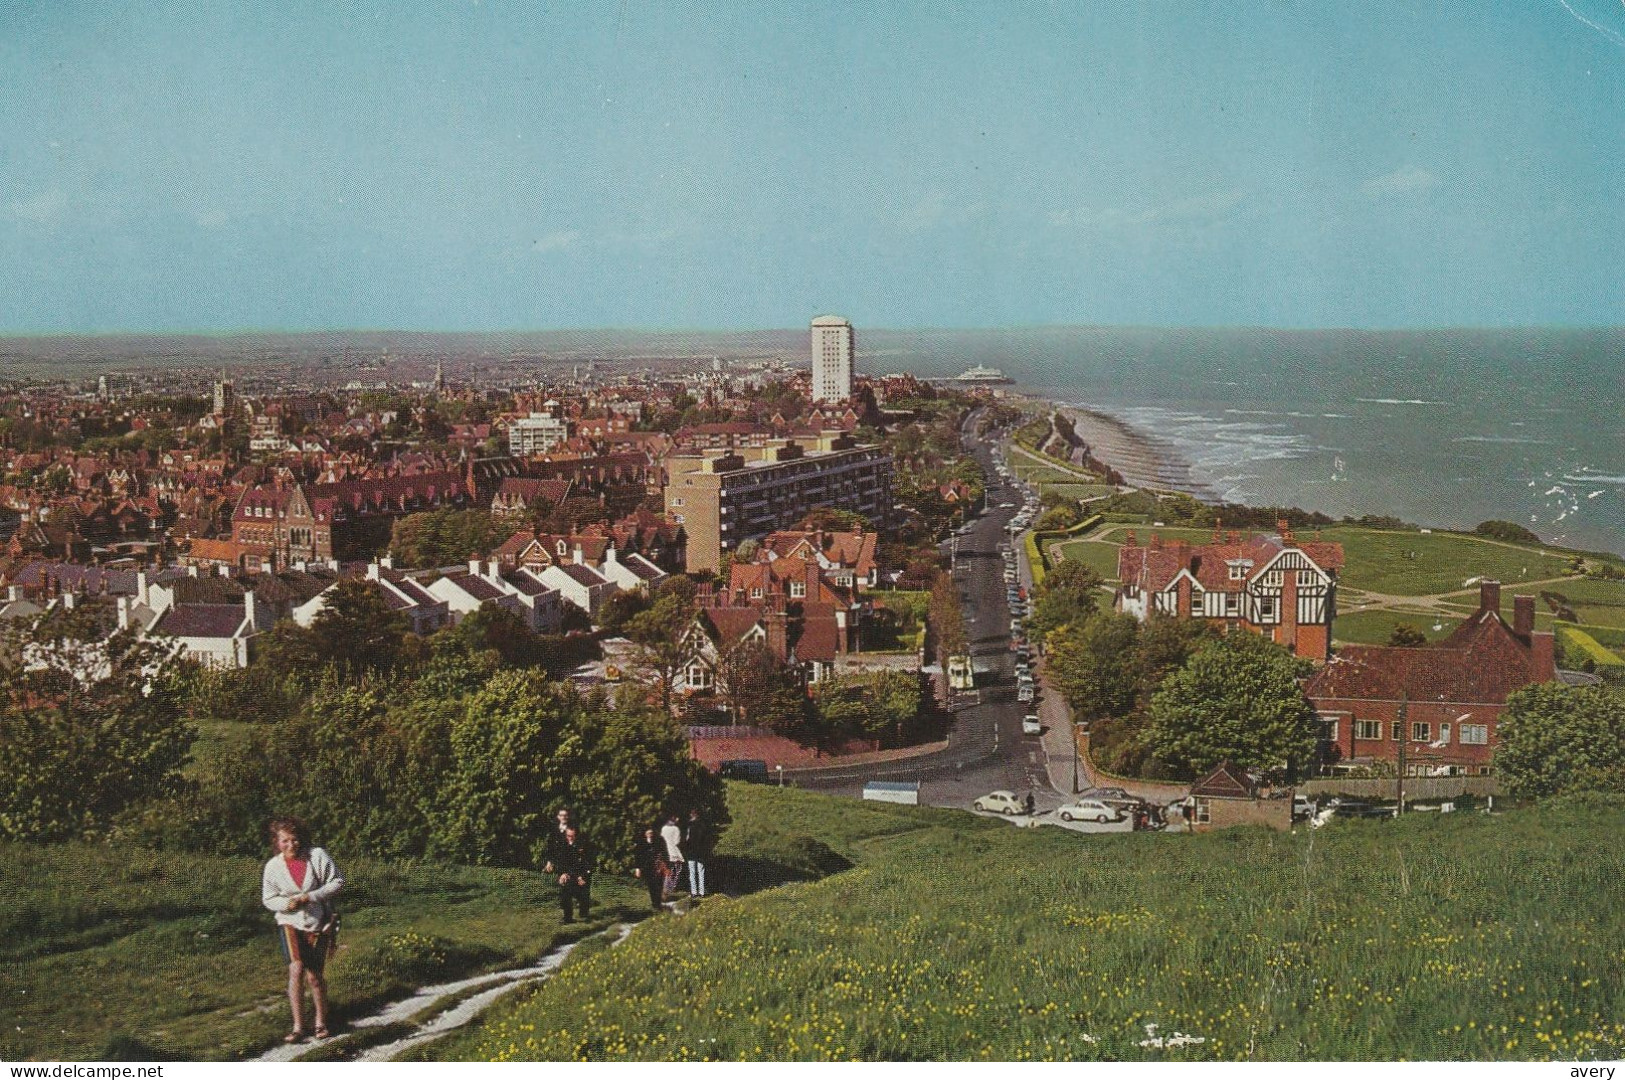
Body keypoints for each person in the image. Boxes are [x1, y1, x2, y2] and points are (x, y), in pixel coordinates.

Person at [262, 815, 344, 1044]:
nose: (291, 845)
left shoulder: (316, 856)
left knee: (314, 977)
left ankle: (320, 1022)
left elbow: (337, 882)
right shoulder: (273, 866)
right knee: (296, 968)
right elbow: (268, 898)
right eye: (285, 841)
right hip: (289, 921)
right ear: (277, 842)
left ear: (302, 839)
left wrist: (310, 896)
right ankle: (298, 1026)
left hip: (318, 922)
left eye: (295, 839)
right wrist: (286, 904)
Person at [554, 825, 594, 923]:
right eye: (568, 836)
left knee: (583, 897)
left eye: (572, 836)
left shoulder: (583, 846)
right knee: (565, 889)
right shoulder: (563, 845)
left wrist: (583, 876)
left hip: (583, 875)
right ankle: (568, 917)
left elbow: (588, 863)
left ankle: (584, 913)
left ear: (576, 835)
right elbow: (561, 862)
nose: (570, 838)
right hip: (571, 874)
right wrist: (562, 874)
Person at [632, 825, 668, 911]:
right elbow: (637, 856)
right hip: (648, 867)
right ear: (645, 834)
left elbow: (664, 853)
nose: (650, 835)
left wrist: (666, 865)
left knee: (659, 885)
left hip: (658, 866)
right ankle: (655, 904)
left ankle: (658, 903)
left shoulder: (659, 840)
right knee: (652, 886)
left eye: (651, 833)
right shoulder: (641, 843)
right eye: (648, 833)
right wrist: (638, 868)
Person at [683, 808, 711, 898]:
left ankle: (694, 892)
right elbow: (706, 840)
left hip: (691, 851)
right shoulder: (703, 825)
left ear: (691, 815)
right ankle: (702, 892)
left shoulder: (689, 826)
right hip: (701, 852)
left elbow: (687, 839)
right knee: (701, 871)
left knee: (692, 872)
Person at [541, 807, 576, 875]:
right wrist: (549, 862)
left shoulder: (572, 830)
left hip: (568, 863)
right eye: (561, 815)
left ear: (568, 816)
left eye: (565, 815)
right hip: (555, 862)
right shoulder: (554, 829)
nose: (563, 817)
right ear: (558, 817)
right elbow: (550, 847)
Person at [660, 814, 685, 898]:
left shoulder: (663, 828)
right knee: (677, 870)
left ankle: (666, 888)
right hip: (674, 851)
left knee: (668, 871)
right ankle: (670, 888)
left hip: (666, 852)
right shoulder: (676, 829)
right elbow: (677, 841)